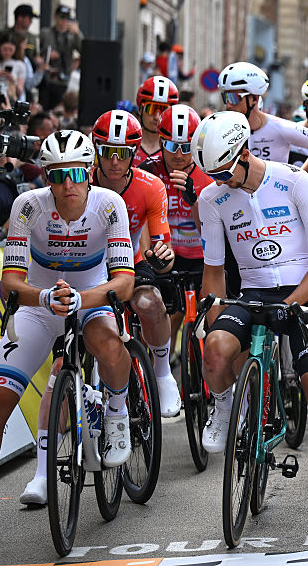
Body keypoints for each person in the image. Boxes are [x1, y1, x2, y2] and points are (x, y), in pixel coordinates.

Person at [0, 131, 135, 546]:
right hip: (40, 305)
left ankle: (116, 412)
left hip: (90, 300)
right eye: (57, 175)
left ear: (89, 171)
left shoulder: (110, 205)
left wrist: (81, 298)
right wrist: (45, 296)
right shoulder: (27, 206)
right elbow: (9, 283)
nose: (67, 185)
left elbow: (123, 283)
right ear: (46, 176)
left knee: (110, 344)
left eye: (75, 173)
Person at [191, 112, 308, 534]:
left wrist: (292, 301)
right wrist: (210, 320)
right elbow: (214, 271)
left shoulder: (294, 181)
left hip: (302, 290)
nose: (221, 181)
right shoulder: (212, 199)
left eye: (226, 171)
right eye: (213, 174)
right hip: (250, 292)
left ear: (245, 153)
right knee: (215, 349)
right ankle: (226, 407)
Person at [90, 111, 180, 417]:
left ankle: (162, 369)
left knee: (150, 301)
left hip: (129, 258)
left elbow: (160, 241)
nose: (115, 162)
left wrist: (163, 255)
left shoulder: (150, 186)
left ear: (134, 154)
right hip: (84, 261)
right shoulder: (80, 181)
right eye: (108, 153)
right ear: (96, 151)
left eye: (124, 154)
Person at [139, 105, 213, 341]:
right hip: (163, 257)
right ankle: (161, 372)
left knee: (210, 321)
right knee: (163, 326)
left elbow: (210, 229)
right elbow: (138, 223)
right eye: (171, 146)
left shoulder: (208, 171)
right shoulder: (148, 170)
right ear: (160, 141)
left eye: (186, 147)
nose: (179, 155)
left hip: (202, 257)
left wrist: (194, 201)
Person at [218, 62, 308, 163]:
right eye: (225, 97)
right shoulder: (223, 132)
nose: (228, 104)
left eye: (233, 98)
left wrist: (301, 175)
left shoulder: (281, 128)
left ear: (254, 98)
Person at [37, 5, 82, 110]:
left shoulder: (72, 36)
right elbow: (36, 55)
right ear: (55, 17)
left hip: (64, 80)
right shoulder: (46, 33)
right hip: (47, 79)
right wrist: (47, 56)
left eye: (67, 18)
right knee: (44, 108)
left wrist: (78, 34)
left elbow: (84, 50)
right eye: (61, 17)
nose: (64, 21)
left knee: (59, 109)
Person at [133, 76, 180, 166]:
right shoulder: (126, 144)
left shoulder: (178, 151)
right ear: (139, 109)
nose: (157, 117)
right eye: (151, 109)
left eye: (164, 110)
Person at [0, 32, 27, 103]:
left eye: (10, 50)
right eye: (4, 49)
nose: (7, 52)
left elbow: (20, 92)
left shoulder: (19, 64)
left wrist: (13, 80)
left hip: (10, 97)